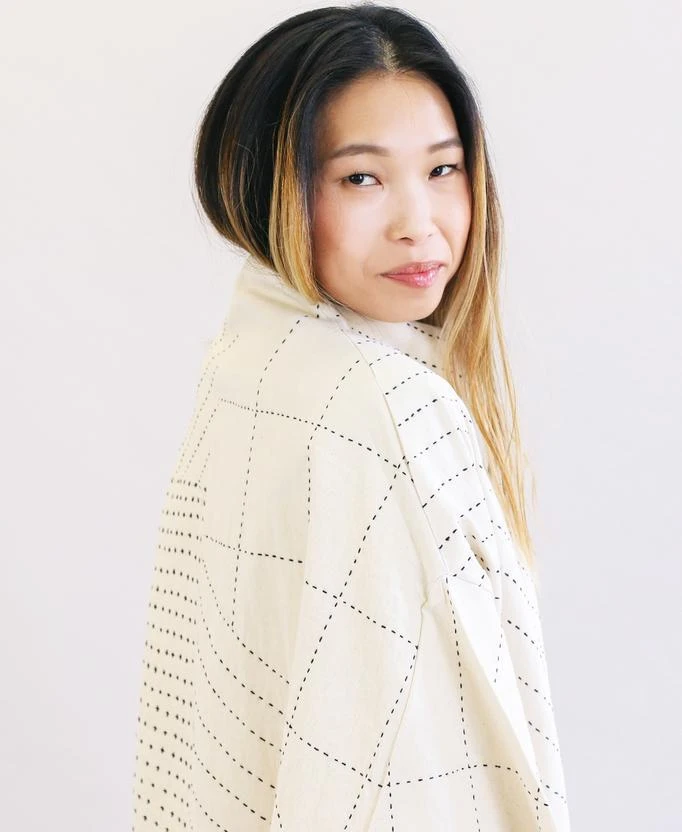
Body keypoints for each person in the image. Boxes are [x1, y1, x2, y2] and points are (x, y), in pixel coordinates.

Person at [131, 4, 571, 830]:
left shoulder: (250, 360)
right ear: (269, 189)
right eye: (361, 178)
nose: (419, 224)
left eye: (443, 169)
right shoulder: (384, 407)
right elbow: (420, 776)